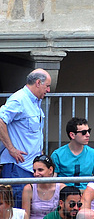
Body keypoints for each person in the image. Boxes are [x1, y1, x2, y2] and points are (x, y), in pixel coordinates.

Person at [0, 69, 51, 208]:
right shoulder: (19, 99)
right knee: (15, 210)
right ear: (38, 83)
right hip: (18, 167)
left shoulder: (34, 101)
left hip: (30, 168)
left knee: (26, 210)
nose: (48, 90)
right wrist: (11, 149)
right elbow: (0, 120)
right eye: (47, 86)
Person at [51, 118, 94, 189]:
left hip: (88, 195)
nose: (88, 135)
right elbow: (52, 182)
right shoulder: (57, 155)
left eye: (89, 131)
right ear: (72, 135)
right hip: (64, 195)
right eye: (84, 132)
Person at [21, 155, 64, 219]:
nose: (36, 174)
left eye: (40, 170)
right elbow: (25, 216)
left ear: (50, 170)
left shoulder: (61, 188)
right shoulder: (28, 189)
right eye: (34, 171)